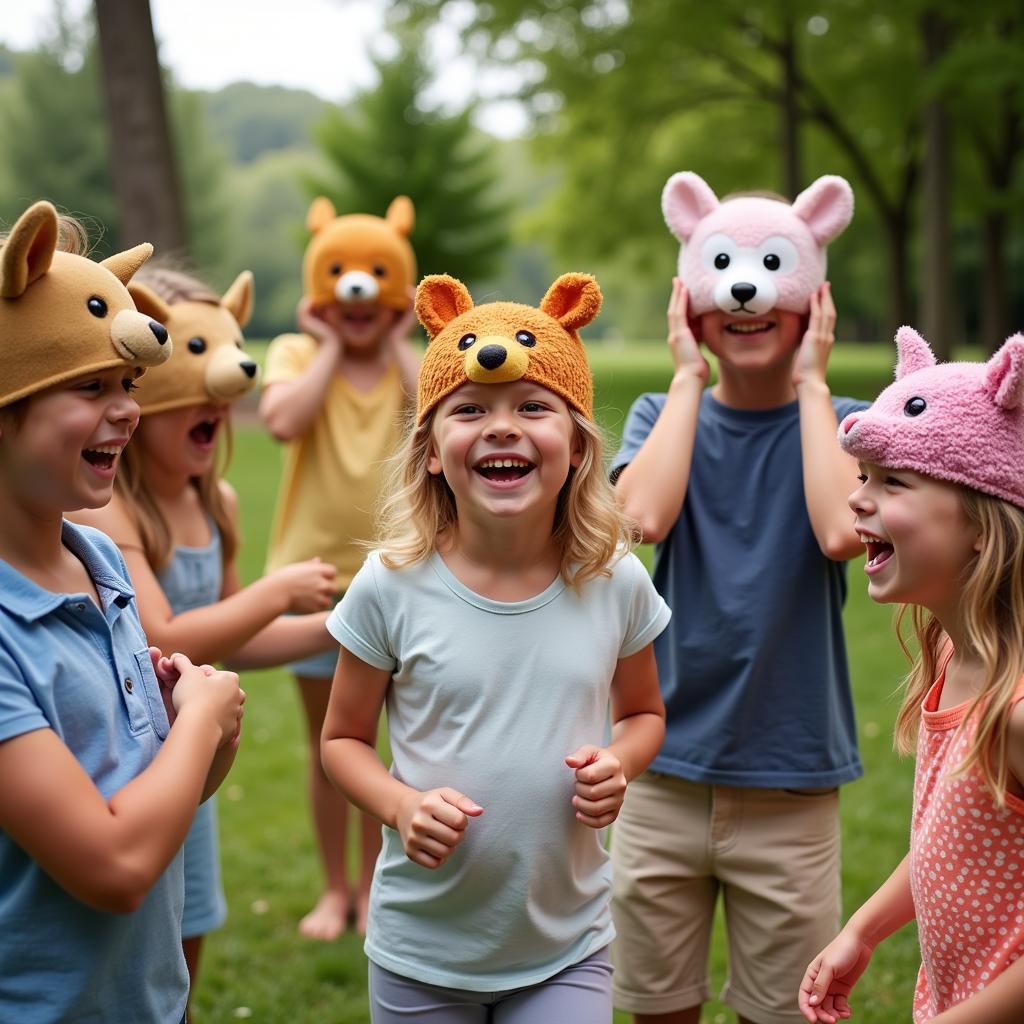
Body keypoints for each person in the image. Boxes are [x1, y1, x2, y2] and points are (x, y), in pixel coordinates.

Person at [320, 273, 670, 1023]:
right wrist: (400, 804)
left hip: (566, 947)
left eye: (534, 408)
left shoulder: (614, 582)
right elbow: (343, 738)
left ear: (577, 447)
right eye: (470, 409)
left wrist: (621, 763)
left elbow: (643, 714)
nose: (502, 427)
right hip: (423, 951)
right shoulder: (390, 586)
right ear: (434, 452)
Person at [610, 173, 868, 1024]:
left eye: (769, 272)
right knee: (654, 1006)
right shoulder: (659, 413)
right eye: (722, 274)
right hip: (661, 776)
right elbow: (641, 516)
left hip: (790, 785)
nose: (745, 294)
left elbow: (841, 532)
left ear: (811, 299)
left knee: (786, 1012)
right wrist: (687, 377)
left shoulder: (845, 425)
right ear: (691, 297)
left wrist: (816, 387)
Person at [0, 201, 245, 1024]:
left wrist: (202, 736)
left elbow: (157, 792)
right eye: (90, 387)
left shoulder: (96, 560)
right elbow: (113, 865)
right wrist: (203, 725)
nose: (129, 409)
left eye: (129, 384)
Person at [71, 266, 337, 1011]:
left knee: (184, 953)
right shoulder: (111, 514)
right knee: (130, 953)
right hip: (130, 769)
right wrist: (277, 590)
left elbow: (238, 641)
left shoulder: (213, 500)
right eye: (193, 398)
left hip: (196, 761)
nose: (216, 409)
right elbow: (163, 631)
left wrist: (347, 625)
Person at [799, 326, 1024, 1024]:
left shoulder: (1015, 714)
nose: (858, 500)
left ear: (983, 522)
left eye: (892, 481)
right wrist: (863, 930)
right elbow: (948, 847)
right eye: (862, 477)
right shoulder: (954, 656)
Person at [259, 196, 420, 940]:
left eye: (376, 276)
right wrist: (327, 342)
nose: (358, 292)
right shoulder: (297, 352)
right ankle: (335, 890)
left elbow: (435, 411)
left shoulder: (407, 366)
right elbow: (285, 421)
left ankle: (371, 885)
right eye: (342, 275)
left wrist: (397, 340)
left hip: (401, 579)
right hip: (312, 582)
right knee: (329, 745)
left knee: (384, 749)